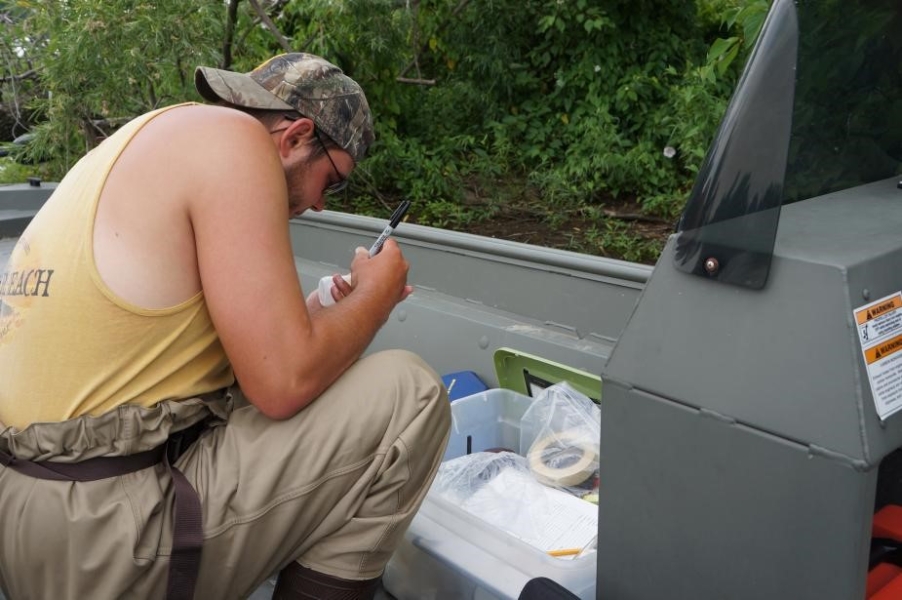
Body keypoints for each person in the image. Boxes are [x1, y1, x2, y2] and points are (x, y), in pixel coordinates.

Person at [0, 53, 451, 600]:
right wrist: (376, 301)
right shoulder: (236, 144)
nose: (320, 206)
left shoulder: (142, 142)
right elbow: (281, 385)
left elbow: (205, 366)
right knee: (410, 395)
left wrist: (320, 314)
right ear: (296, 137)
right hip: (104, 536)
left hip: (30, 514)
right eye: (330, 181)